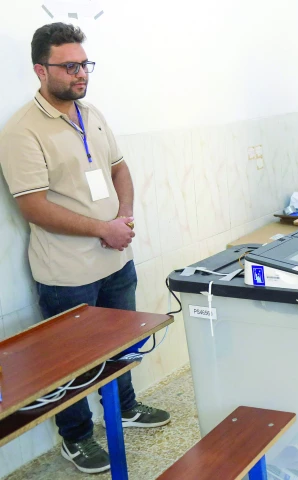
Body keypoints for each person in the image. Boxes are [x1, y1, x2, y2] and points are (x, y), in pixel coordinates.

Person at [0, 23, 170, 474]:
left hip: (116, 257)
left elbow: (119, 169)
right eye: (70, 66)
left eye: (84, 64)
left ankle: (127, 407)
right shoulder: (21, 131)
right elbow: (33, 207)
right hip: (67, 273)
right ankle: (77, 438)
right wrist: (103, 228)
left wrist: (125, 219)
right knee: (72, 364)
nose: (81, 74)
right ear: (40, 70)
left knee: (124, 344)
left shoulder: (90, 112)